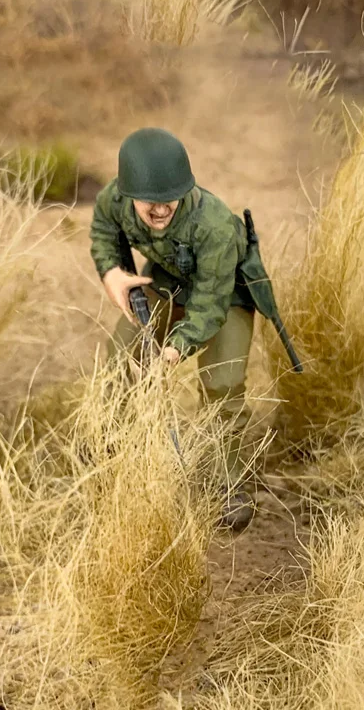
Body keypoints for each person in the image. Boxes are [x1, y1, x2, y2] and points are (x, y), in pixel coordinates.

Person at [89, 126, 261, 531]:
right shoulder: (114, 198)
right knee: (118, 360)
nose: (162, 209)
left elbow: (208, 304)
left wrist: (173, 350)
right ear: (129, 195)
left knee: (223, 384)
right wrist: (114, 274)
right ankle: (114, 458)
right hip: (164, 284)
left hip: (224, 294)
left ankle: (229, 486)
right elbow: (102, 231)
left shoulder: (214, 226)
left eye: (171, 199)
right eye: (150, 202)